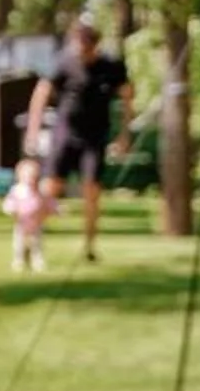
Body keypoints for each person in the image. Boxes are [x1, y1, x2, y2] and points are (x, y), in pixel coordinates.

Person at [23, 15, 132, 264]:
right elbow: (41, 93)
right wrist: (33, 130)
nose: (83, 47)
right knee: (50, 187)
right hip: (65, 134)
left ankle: (90, 247)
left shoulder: (111, 65)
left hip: (95, 137)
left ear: (96, 42)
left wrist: (124, 134)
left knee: (91, 190)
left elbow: (127, 96)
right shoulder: (63, 62)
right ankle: (30, 239)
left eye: (88, 42)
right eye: (79, 40)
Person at [3, 154, 56, 273]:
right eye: (27, 176)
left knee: (36, 243)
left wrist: (54, 209)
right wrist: (11, 209)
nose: (31, 179)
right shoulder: (17, 190)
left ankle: (37, 260)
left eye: (34, 176)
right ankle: (19, 260)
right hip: (21, 224)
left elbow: (49, 202)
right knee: (19, 243)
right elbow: (9, 203)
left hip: (37, 223)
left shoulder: (40, 190)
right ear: (20, 176)